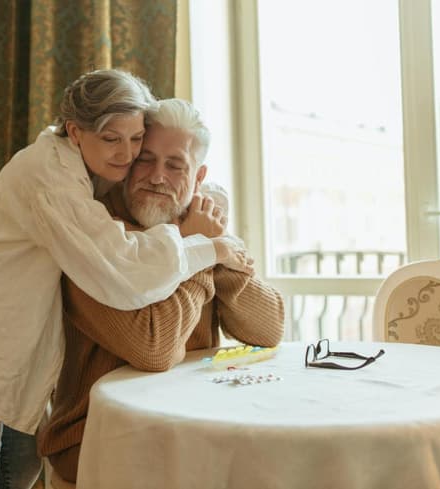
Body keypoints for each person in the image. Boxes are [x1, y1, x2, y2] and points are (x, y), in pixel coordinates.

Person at [0, 71, 250, 489]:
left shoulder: (92, 162)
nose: (126, 154)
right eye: (111, 138)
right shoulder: (50, 180)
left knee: (20, 468)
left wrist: (208, 205)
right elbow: (121, 266)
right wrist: (208, 247)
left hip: (11, 334)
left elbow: (192, 176)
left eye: (135, 138)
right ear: (75, 131)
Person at [38, 98, 286, 487]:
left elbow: (268, 329)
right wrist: (199, 253)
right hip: (97, 440)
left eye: (175, 165)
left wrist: (211, 250)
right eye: (145, 160)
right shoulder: (96, 238)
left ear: (198, 177)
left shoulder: (197, 224)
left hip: (192, 428)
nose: (157, 177)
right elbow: (153, 348)